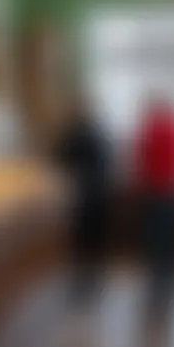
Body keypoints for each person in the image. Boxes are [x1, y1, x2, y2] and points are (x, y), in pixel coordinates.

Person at [133, 96, 174, 310]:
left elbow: (140, 158)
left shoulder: (152, 132)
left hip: (156, 190)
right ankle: (171, 276)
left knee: (156, 236)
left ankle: (159, 279)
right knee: (172, 235)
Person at [54, 97, 113, 303]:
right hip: (101, 191)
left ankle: (84, 278)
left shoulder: (74, 135)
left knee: (83, 237)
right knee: (97, 235)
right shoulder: (101, 133)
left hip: (82, 193)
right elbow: (111, 160)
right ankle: (96, 274)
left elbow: (59, 158)